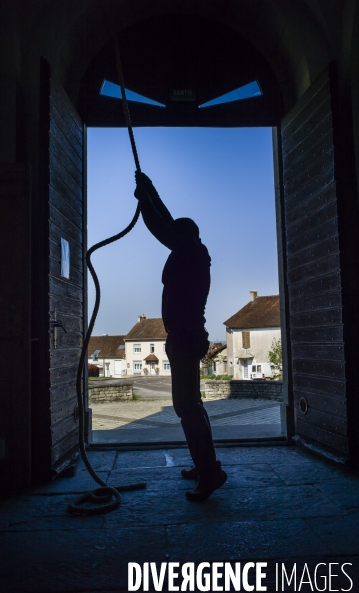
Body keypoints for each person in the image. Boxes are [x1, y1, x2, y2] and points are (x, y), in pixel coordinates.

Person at [134, 171, 227, 502]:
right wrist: (151, 190)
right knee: (192, 405)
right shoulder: (192, 251)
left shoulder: (189, 250)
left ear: (185, 237)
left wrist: (145, 202)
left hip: (186, 339)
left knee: (186, 406)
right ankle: (206, 465)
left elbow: (162, 227)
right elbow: (169, 222)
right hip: (187, 338)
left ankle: (210, 473)